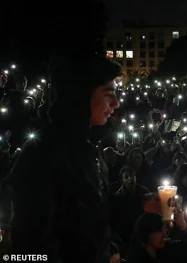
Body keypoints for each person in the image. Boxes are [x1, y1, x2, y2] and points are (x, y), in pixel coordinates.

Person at [9, 55, 122, 262]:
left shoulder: (88, 151)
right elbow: (30, 251)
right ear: (80, 97)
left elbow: (89, 217)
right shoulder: (42, 158)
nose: (116, 104)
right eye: (108, 95)